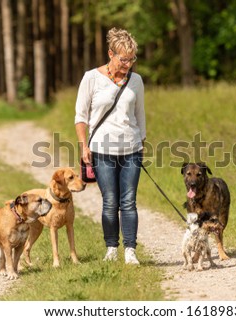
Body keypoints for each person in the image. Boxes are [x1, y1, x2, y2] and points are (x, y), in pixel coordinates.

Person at [74, 27, 145, 265]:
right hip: (102, 150)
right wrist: (84, 147)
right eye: (123, 59)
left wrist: (141, 144)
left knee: (129, 201)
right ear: (110, 54)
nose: (128, 64)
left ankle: (130, 251)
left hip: (131, 149)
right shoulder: (91, 78)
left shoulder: (136, 81)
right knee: (110, 201)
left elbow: (139, 116)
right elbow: (81, 116)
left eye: (132, 59)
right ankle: (111, 248)